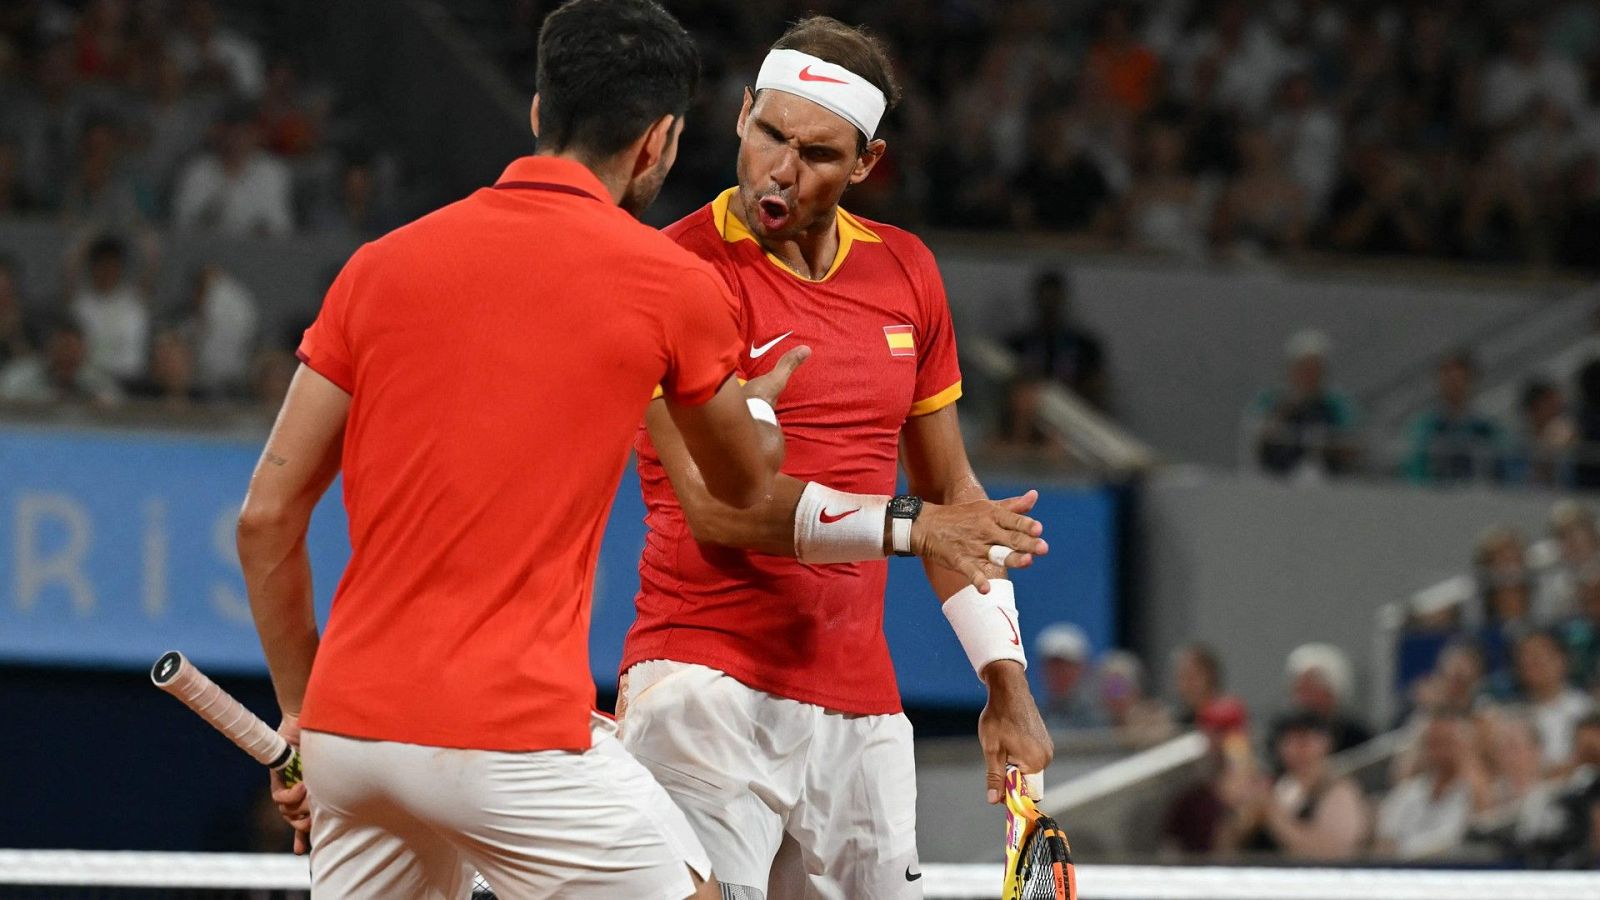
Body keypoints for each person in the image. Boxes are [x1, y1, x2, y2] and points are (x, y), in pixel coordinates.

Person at [243, 2, 799, 897]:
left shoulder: (378, 266)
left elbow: (266, 519)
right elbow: (740, 486)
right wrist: (760, 416)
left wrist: (307, 716)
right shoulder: (670, 282)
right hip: (507, 741)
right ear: (658, 141)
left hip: (352, 740)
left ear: (540, 111)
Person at [615, 17, 1053, 898]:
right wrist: (916, 526)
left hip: (862, 707)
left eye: (817, 153)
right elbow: (719, 507)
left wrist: (1006, 682)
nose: (781, 167)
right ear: (740, 116)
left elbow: (954, 501)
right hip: (702, 685)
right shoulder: (672, 274)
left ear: (865, 164)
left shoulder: (907, 271)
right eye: (770, 133)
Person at [1219, 711, 1369, 860]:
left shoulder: (1339, 792)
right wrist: (1240, 815)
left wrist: (1273, 813)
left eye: (1304, 741)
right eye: (1288, 742)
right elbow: (1226, 848)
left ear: (1325, 743)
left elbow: (1334, 852)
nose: (1296, 750)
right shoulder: (1275, 786)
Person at [1249, 329, 1358, 479]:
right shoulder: (1270, 401)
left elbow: (1352, 442)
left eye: (1315, 370)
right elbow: (1256, 439)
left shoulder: (1337, 406)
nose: (1309, 376)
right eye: (1304, 369)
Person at [1374, 711, 1481, 860]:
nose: (1440, 750)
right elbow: (1384, 841)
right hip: (1406, 872)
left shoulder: (1473, 792)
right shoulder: (1408, 792)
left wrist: (1468, 762)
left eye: (1447, 742)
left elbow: (1485, 820)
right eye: (1434, 743)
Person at [1404, 350, 1505, 486]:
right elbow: (1415, 467)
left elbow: (1500, 468)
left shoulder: (1486, 428)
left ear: (1470, 382)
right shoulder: (1425, 426)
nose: (1453, 386)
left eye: (1458, 380)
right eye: (1448, 379)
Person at [1035, 623, 1101, 730]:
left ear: (1082, 669)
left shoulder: (1102, 717)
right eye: (1052, 667)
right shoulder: (1032, 717)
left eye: (1066, 667)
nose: (1058, 674)